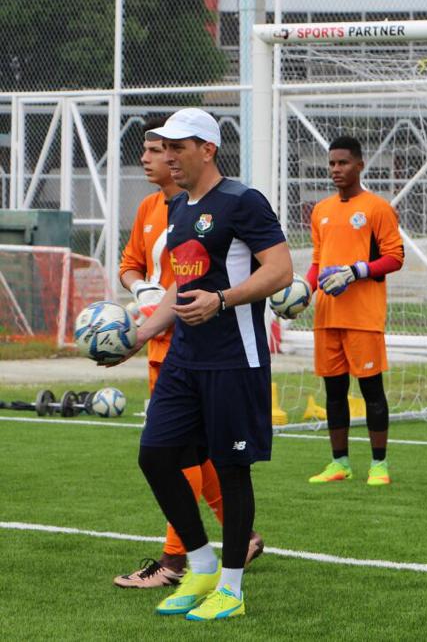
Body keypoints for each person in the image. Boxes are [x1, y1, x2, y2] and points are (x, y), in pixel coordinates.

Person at [116, 107, 292, 620]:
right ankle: (201, 564)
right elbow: (179, 284)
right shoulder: (178, 209)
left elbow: (281, 271)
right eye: (163, 147)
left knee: (233, 472)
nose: (167, 156)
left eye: (176, 147)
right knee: (156, 456)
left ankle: (231, 590)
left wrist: (224, 300)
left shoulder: (243, 201)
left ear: (207, 150)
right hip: (185, 360)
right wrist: (142, 334)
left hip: (234, 360)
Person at [305, 136, 404, 486]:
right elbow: (318, 261)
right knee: (334, 392)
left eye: (343, 163)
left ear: (360, 165)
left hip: (363, 316)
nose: (335, 169)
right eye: (331, 163)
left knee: (371, 391)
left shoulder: (378, 208)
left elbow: (395, 257)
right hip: (327, 316)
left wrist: (357, 271)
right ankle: (340, 463)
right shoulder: (321, 211)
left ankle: (379, 464)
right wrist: (305, 289)